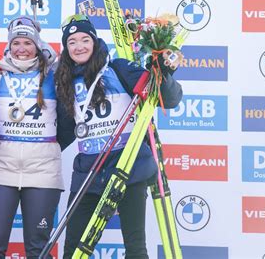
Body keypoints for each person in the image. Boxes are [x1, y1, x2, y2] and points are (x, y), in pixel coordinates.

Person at [54, 15, 183, 259]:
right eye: (72, 42)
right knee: (73, 250)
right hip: (89, 172)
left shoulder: (118, 69)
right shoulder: (66, 82)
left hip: (128, 167)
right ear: (66, 47)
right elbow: (62, 133)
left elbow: (168, 98)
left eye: (84, 39)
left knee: (135, 248)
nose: (79, 46)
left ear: (94, 41)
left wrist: (163, 74)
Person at [0, 16, 63, 258]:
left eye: (28, 43)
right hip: (0, 168)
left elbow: (68, 67)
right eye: (16, 43)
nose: (22, 49)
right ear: (9, 46)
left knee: (39, 249)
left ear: (38, 46)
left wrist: (47, 52)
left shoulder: (53, 74)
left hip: (43, 171)